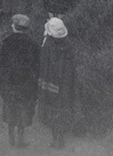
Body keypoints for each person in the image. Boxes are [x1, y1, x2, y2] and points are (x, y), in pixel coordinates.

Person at [0, 12, 41, 148]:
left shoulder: (6, 42)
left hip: (10, 82)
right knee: (23, 109)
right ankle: (20, 138)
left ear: (14, 26)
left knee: (10, 107)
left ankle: (11, 137)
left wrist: (2, 79)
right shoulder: (33, 44)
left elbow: (1, 63)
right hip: (26, 83)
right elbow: (37, 65)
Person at [38, 17, 77, 148]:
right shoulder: (69, 44)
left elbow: (43, 63)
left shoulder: (48, 44)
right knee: (62, 110)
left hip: (50, 83)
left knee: (51, 111)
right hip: (66, 83)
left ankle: (55, 139)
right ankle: (60, 139)